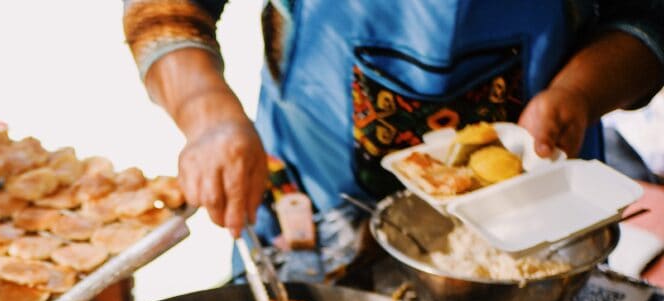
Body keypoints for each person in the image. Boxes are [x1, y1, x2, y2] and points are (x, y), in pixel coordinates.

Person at [123, 1, 664, 242]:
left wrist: (579, 91)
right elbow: (166, 8)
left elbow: (645, 17)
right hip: (316, 203)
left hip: (530, 214)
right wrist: (208, 114)